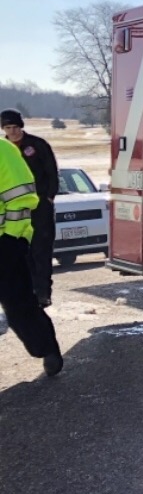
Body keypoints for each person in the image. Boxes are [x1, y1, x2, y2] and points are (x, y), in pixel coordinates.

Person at [0, 135, 62, 376]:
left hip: (5, 243)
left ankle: (45, 347)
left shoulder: (3, 151)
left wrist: (13, 238)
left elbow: (22, 198)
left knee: (19, 308)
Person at [1, 109, 58, 306]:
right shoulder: (4, 150)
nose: (13, 131)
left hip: (40, 208)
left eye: (15, 127)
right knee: (18, 256)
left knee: (40, 253)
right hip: (13, 213)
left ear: (21, 126)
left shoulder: (37, 145)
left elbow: (51, 172)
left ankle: (43, 294)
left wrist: (49, 197)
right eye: (8, 128)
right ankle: (24, 294)